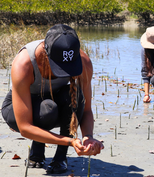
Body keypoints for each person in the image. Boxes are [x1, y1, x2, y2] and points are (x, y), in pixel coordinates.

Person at [1, 24, 104, 174]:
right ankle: (37, 150)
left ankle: (61, 157)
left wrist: (88, 137)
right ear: (46, 53)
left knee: (75, 96)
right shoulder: (24, 64)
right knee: (47, 109)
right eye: (60, 66)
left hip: (53, 102)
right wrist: (70, 141)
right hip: (19, 109)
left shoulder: (84, 62)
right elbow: (25, 127)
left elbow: (86, 110)